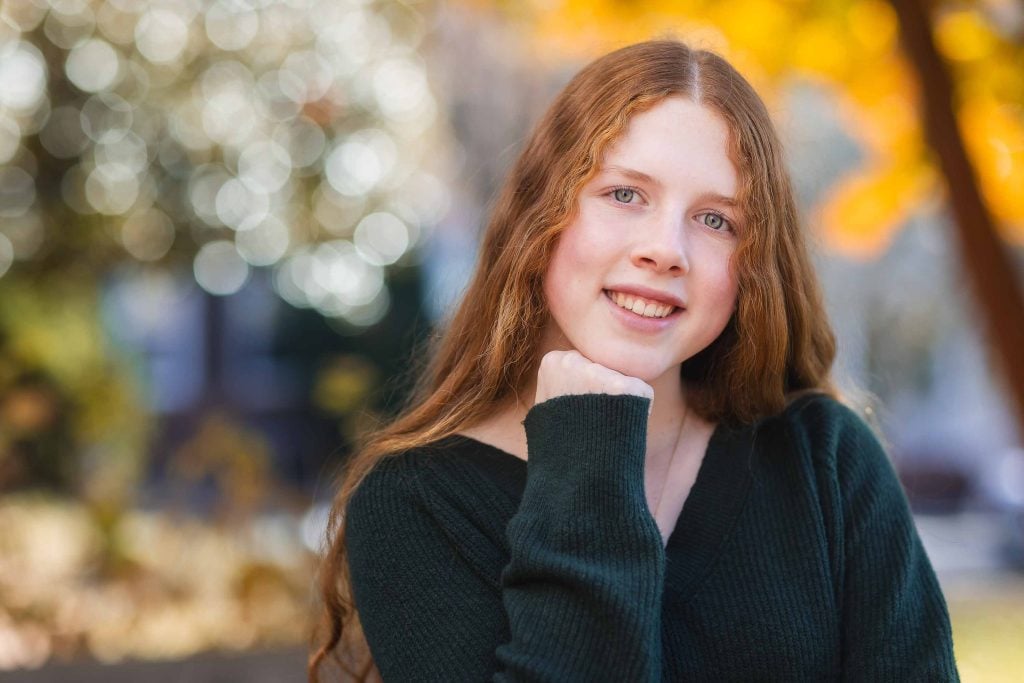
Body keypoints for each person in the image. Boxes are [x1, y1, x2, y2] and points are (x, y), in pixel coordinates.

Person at [309, 40, 959, 682]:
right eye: (625, 195)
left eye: (715, 220)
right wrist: (590, 445)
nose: (665, 248)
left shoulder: (826, 465)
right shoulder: (415, 503)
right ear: (541, 216)